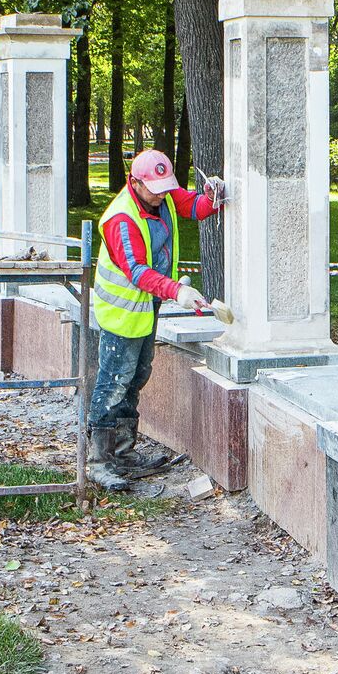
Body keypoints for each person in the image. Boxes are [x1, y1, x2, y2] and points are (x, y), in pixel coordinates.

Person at [88, 148, 226, 490]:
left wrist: (211, 196)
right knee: (112, 384)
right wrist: (176, 291)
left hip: (146, 308)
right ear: (134, 183)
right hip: (121, 314)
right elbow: (136, 270)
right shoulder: (120, 219)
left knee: (136, 378)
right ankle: (98, 462)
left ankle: (122, 453)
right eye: (156, 188)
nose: (163, 194)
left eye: (166, 186)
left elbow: (193, 207)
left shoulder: (160, 195)